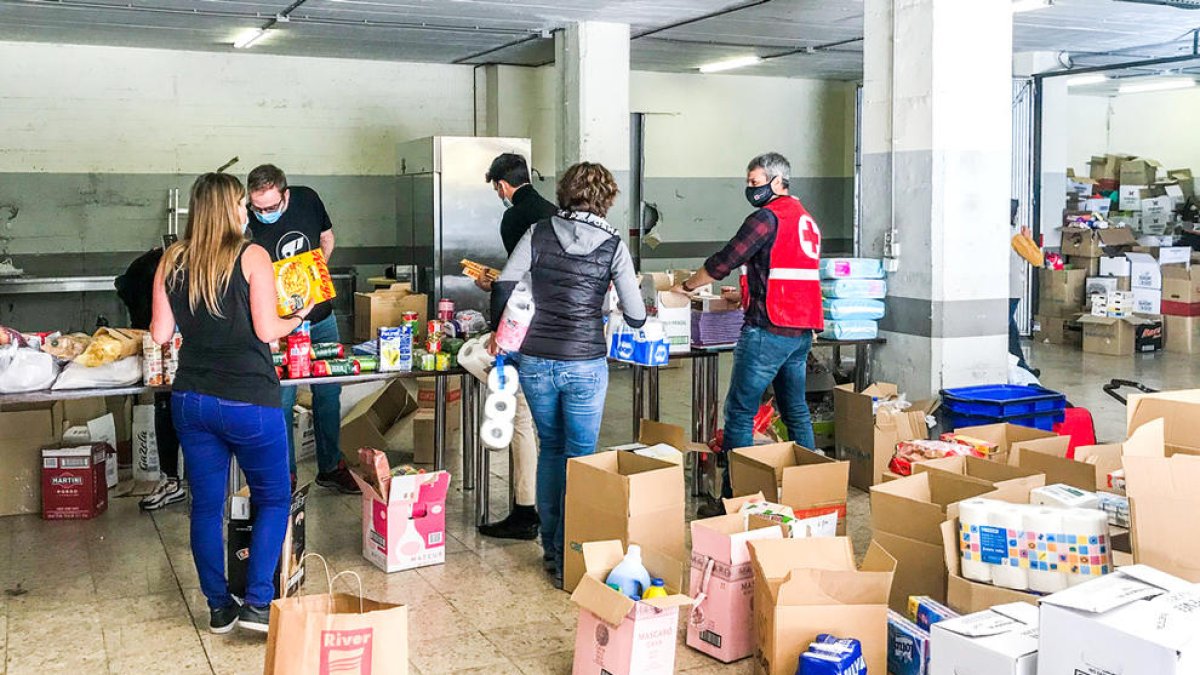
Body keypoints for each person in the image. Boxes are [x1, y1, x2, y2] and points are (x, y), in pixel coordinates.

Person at [151, 172, 312, 634]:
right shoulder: (252, 255)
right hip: (249, 400)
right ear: (229, 208)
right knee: (273, 497)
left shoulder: (172, 260)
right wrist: (298, 315)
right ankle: (258, 604)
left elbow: (161, 335)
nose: (246, 211)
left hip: (191, 399)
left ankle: (219, 607)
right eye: (241, 203)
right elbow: (267, 330)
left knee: (206, 506)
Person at [489, 162, 645, 587]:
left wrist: (499, 333)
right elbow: (636, 315)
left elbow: (504, 284)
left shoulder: (538, 232)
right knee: (581, 456)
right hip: (585, 364)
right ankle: (572, 557)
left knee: (551, 449)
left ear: (563, 193)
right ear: (607, 199)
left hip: (536, 360)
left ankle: (552, 549)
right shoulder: (614, 245)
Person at [675, 152, 824, 509]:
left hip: (768, 331)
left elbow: (726, 259)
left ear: (776, 181)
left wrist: (689, 286)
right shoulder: (806, 220)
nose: (750, 190)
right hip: (800, 331)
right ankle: (808, 490)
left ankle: (733, 499)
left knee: (740, 412)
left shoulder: (765, 218)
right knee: (796, 410)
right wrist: (743, 294)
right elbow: (781, 272)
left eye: (755, 183)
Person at [244, 164, 357, 494]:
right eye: (257, 208)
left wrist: (314, 271)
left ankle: (331, 466)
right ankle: (286, 474)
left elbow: (327, 237)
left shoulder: (308, 200)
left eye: (271, 207)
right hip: (277, 325)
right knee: (281, 397)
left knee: (329, 392)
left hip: (320, 316)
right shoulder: (244, 218)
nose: (264, 213)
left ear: (286, 195)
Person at [475, 153, 557, 540]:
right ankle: (562, 505)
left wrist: (498, 327)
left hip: (525, 326)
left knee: (521, 417)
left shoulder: (514, 217)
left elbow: (516, 278)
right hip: (562, 329)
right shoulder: (555, 212)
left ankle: (526, 511)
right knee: (556, 426)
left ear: (502, 185)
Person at [116, 246, 187, 510]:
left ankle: (177, 480)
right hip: (172, 345)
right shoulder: (158, 270)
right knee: (166, 402)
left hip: (194, 353)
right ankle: (172, 479)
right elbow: (155, 328)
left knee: (172, 405)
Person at [1009, 199, 1038, 376]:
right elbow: (1037, 259)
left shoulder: (990, 233)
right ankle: (1021, 368)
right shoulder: (1015, 237)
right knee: (1007, 331)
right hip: (1011, 291)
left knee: (1009, 330)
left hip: (994, 291)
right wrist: (1028, 239)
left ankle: (1022, 367)